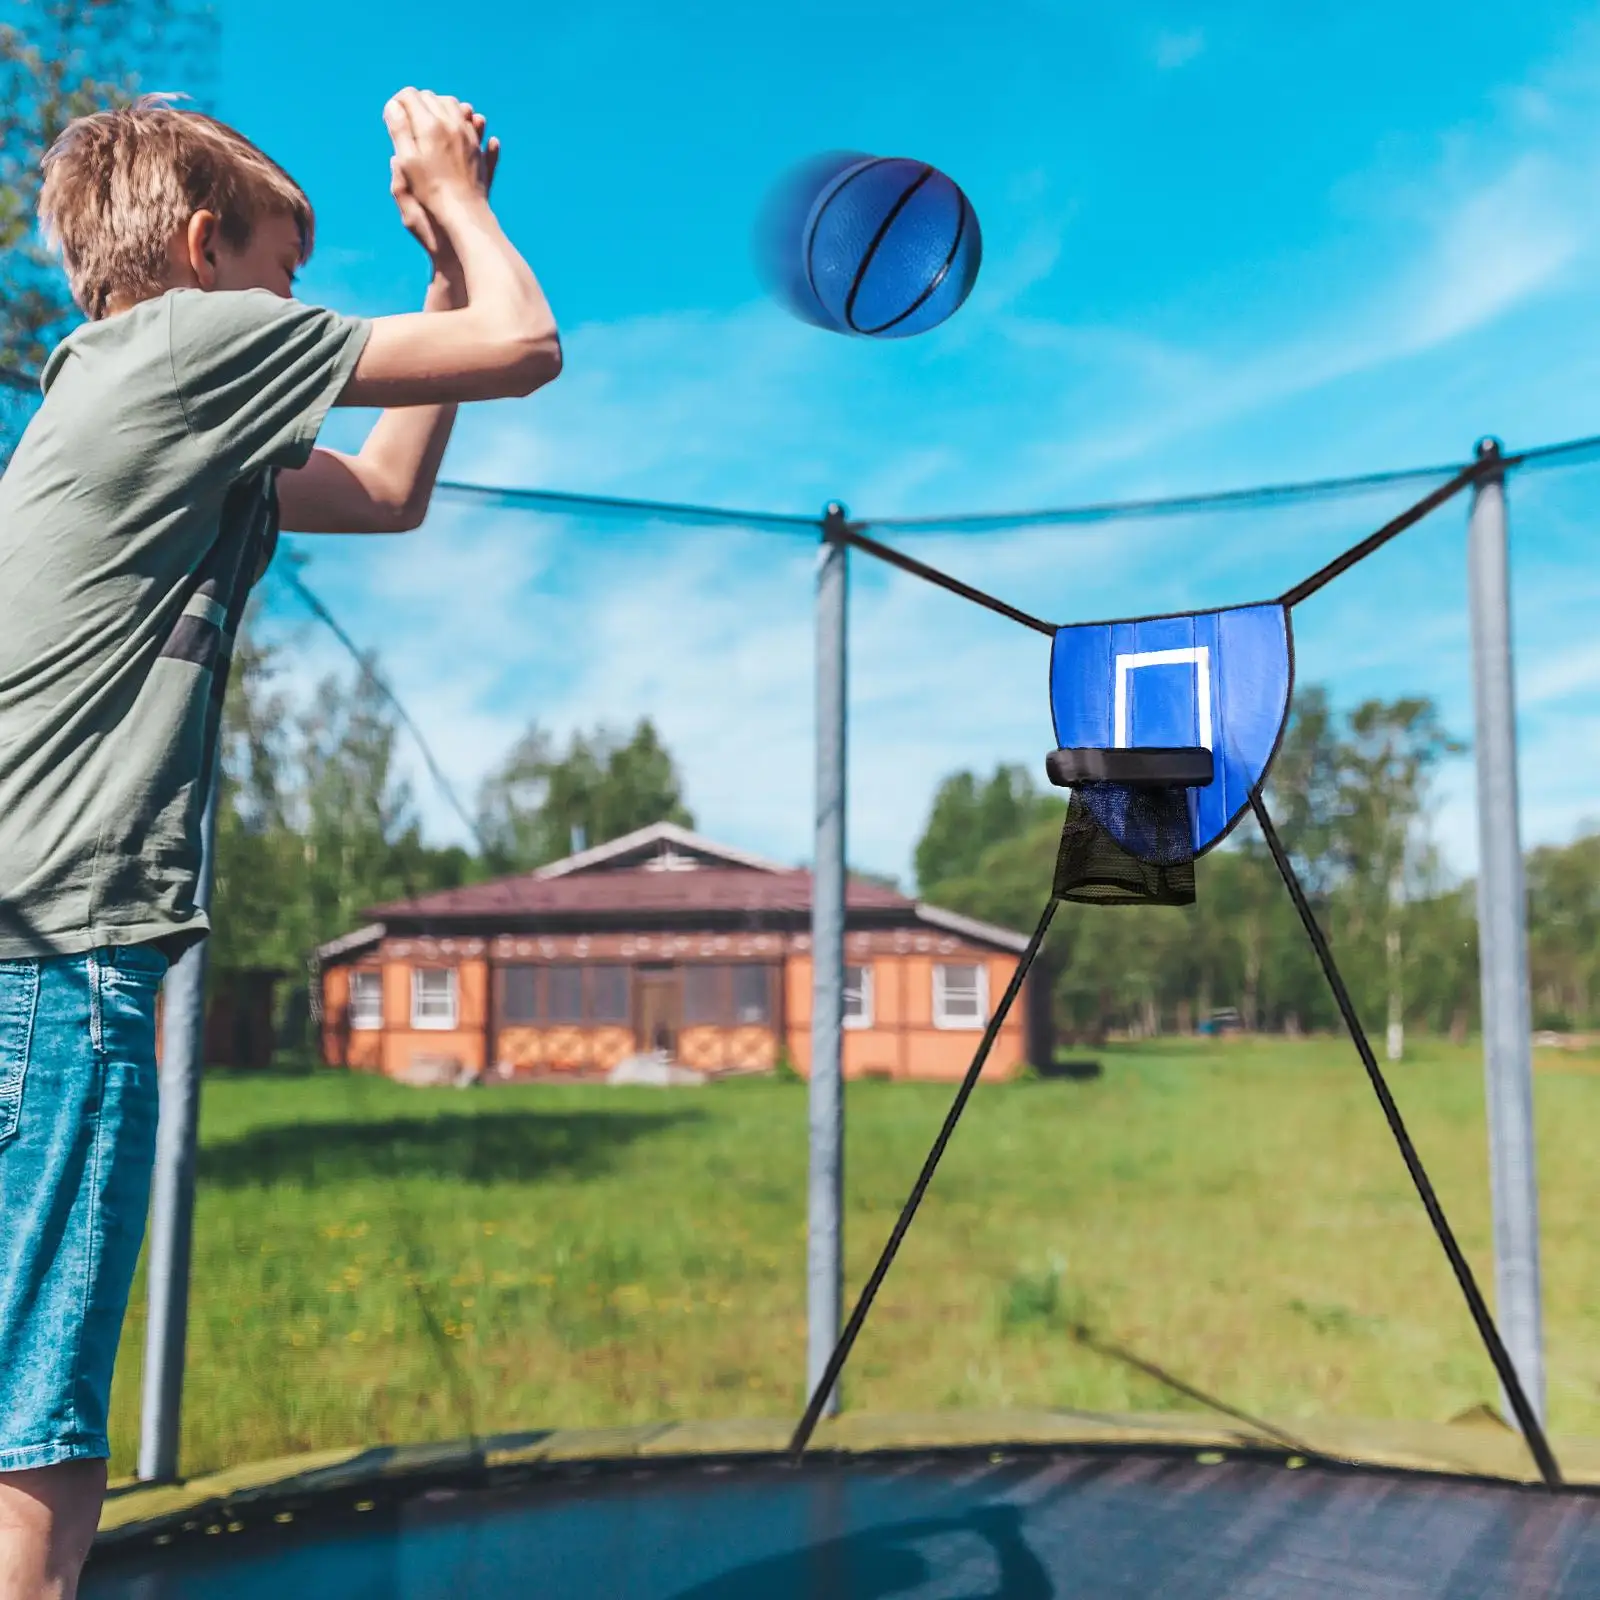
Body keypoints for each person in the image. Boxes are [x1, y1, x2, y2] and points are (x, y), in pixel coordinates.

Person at [0, 87, 560, 1600]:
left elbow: (385, 493)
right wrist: (456, 200)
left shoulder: (130, 397)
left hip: (23, 950)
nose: (300, 315)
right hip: (59, 961)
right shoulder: (186, 346)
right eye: (284, 279)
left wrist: (433, 282)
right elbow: (526, 345)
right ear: (198, 253)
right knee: (34, 1418)